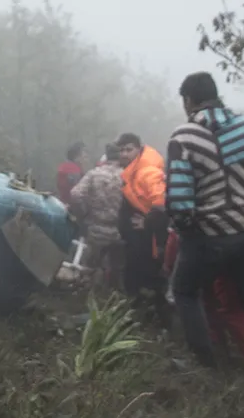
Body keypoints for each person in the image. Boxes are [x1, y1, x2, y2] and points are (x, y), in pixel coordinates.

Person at [165, 72, 244, 383]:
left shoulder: (184, 137)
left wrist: (188, 230)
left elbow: (180, 201)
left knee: (184, 291)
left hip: (208, 237)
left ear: (189, 101)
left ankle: (206, 368)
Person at [161, 199, 244, 367]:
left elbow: (182, 227)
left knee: (232, 309)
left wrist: (171, 263)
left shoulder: (221, 185)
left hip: (232, 252)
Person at [115, 132, 169, 319]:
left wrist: (148, 222)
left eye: (129, 149)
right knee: (136, 273)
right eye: (121, 150)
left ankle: (158, 319)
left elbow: (161, 203)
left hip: (148, 238)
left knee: (150, 276)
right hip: (136, 237)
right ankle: (141, 312)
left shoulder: (147, 171)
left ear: (139, 149)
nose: (124, 154)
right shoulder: (132, 172)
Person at [67, 143, 127, 287]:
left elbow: (76, 194)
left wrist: (83, 214)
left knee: (91, 267)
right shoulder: (127, 175)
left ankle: (90, 299)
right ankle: (115, 301)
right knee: (117, 269)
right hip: (119, 230)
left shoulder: (94, 174)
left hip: (95, 227)